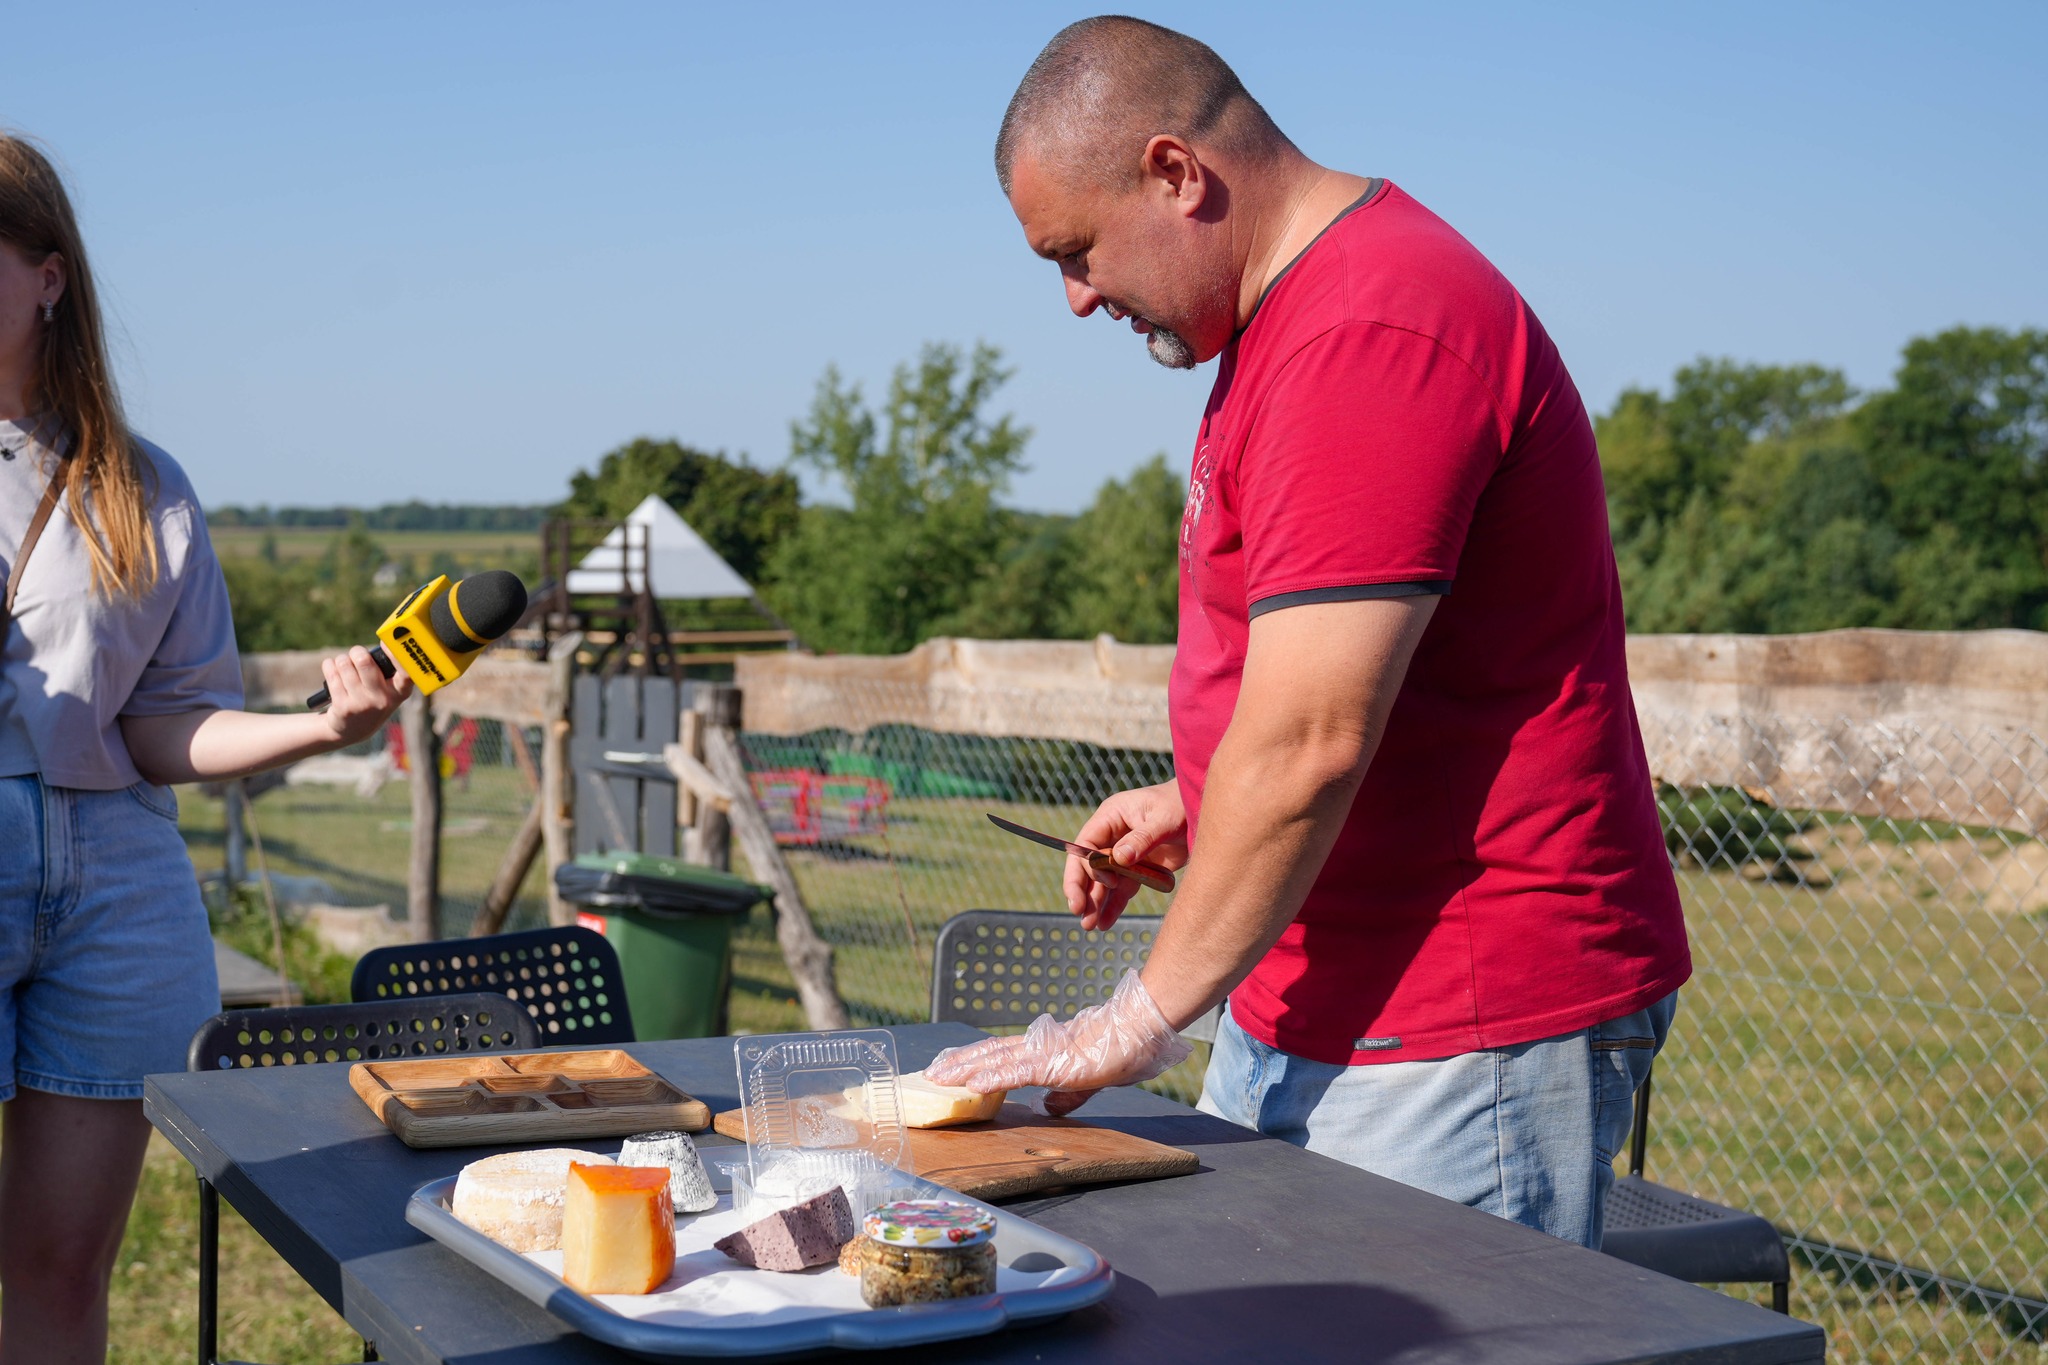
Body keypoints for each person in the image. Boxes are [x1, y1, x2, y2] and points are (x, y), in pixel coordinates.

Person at [928, 18, 1692, 1250]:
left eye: (1075, 251)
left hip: (1455, 1019)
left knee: (1415, 1334)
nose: (1075, 299)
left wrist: (1130, 1021)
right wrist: (1200, 796)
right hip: (1320, 994)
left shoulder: (1364, 331)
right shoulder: (1292, 323)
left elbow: (1310, 740)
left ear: (1174, 173)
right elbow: (1344, 689)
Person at [0, 135, 409, 1364]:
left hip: (118, 888)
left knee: (61, 1269)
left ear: (48, 277)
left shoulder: (141, 485)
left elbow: (163, 724)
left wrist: (322, 726)